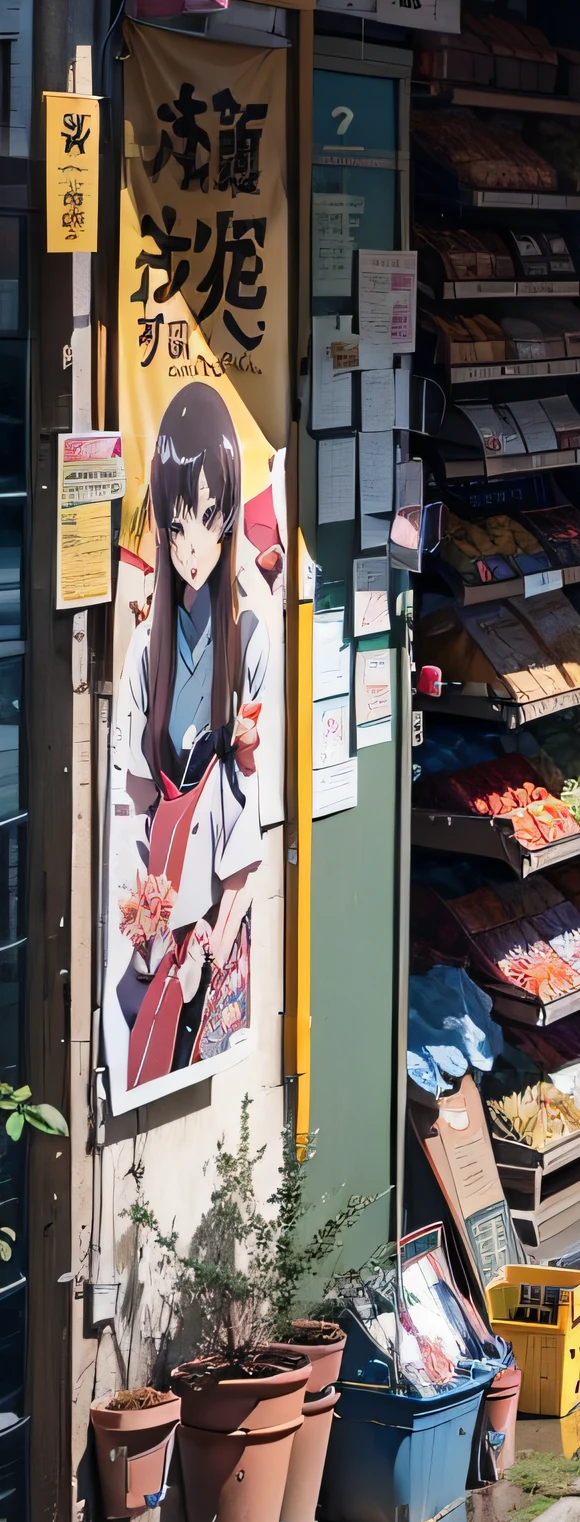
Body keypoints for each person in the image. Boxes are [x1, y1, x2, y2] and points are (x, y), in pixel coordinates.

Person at [108, 381, 269, 1096]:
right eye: (176, 525)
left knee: (198, 1035)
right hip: (155, 902)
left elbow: (248, 796)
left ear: (229, 515)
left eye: (207, 518)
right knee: (144, 1043)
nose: (193, 545)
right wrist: (146, 918)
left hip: (215, 906)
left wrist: (221, 923)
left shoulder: (253, 639)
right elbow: (129, 800)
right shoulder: (147, 648)